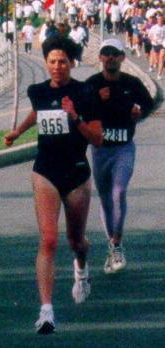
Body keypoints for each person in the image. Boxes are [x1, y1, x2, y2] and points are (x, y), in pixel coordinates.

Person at [4, 36, 102, 334]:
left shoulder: (85, 92)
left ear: (71, 63)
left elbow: (96, 138)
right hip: (45, 170)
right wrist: (17, 132)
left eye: (62, 61)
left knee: (76, 241)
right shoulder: (37, 90)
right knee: (48, 240)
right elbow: (39, 112)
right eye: (52, 61)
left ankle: (81, 269)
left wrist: (75, 117)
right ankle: (46, 311)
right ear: (45, 63)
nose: (57, 67)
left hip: (76, 173)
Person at [86, 38, 154, 274]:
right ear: (101, 58)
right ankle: (112, 246)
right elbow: (81, 112)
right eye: (106, 53)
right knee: (105, 198)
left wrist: (139, 111)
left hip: (124, 147)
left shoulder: (132, 83)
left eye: (115, 53)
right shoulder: (92, 84)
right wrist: (97, 99)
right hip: (100, 149)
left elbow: (148, 103)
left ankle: (116, 242)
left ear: (123, 58)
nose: (111, 57)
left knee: (119, 191)